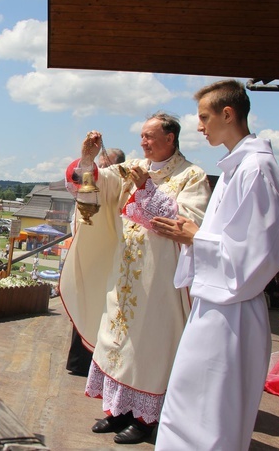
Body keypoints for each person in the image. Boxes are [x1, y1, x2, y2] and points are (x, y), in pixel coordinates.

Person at [153, 80, 279, 450]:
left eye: (204, 117)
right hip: (216, 304)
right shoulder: (236, 167)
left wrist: (195, 236)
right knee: (189, 402)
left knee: (211, 413)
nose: (199, 126)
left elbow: (258, 252)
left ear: (227, 114)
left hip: (234, 309)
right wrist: (193, 236)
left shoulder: (256, 169)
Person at [61, 113, 211, 445]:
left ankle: (145, 419)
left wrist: (145, 188)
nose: (142, 142)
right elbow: (91, 192)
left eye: (149, 136)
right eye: (141, 136)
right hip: (124, 272)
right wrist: (87, 158)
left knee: (148, 347)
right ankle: (117, 412)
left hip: (160, 281)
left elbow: (187, 225)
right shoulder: (130, 170)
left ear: (170, 138)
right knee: (116, 341)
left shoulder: (191, 176)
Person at [62, 147, 126, 377]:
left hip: (108, 254)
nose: (101, 170)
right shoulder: (94, 183)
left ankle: (94, 363)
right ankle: (79, 361)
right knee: (86, 303)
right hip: (90, 254)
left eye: (105, 164)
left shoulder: (119, 184)